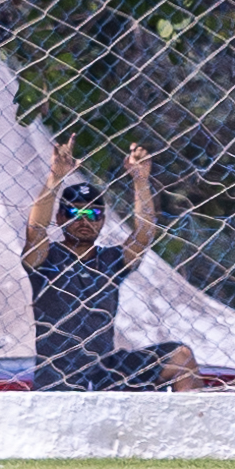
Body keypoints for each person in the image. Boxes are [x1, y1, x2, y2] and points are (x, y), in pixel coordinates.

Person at [23, 139, 201, 393]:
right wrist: (55, 178)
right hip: (58, 377)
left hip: (104, 371)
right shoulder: (45, 259)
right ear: (61, 217)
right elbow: (35, 230)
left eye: (93, 214)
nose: (85, 220)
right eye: (76, 213)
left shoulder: (110, 260)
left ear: (103, 221)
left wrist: (140, 180)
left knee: (181, 357)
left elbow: (143, 235)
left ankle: (192, 431)